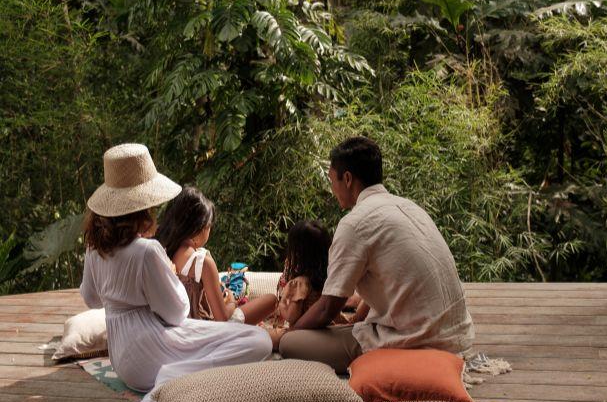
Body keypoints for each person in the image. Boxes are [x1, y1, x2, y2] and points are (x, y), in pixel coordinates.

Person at [79, 144, 272, 402]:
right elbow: (177, 314)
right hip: (152, 355)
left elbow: (91, 299)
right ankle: (172, 382)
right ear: (143, 206)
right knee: (259, 341)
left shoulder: (95, 250)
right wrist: (168, 275)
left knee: (230, 337)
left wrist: (122, 297)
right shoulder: (147, 251)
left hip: (121, 359)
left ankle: (173, 377)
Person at [278, 136, 475, 373]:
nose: (333, 189)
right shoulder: (410, 207)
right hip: (458, 337)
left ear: (347, 179)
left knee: (290, 344)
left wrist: (290, 331)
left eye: (333, 181)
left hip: (416, 342)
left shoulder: (355, 223)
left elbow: (328, 307)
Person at [155, 186, 277, 324]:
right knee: (271, 300)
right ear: (200, 227)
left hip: (176, 327)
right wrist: (231, 302)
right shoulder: (202, 262)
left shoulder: (160, 251)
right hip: (206, 330)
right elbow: (222, 318)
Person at [268, 220, 348, 349]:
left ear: (297, 252)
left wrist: (281, 304)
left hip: (305, 334)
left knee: (266, 336)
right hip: (327, 329)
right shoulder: (330, 277)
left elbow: (291, 316)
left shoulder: (299, 283)